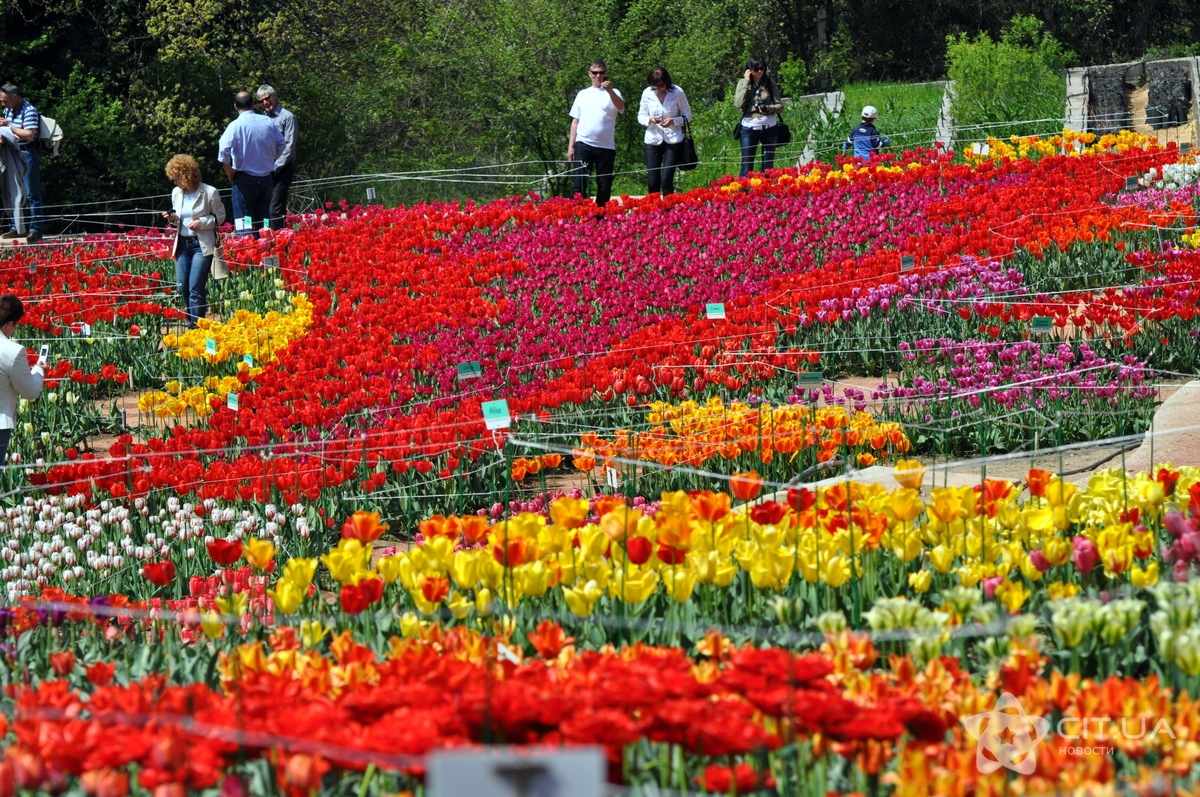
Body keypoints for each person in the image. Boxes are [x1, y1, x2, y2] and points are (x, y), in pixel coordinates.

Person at [163, 155, 227, 326]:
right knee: (181, 286)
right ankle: (192, 319)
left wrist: (202, 223)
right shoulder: (176, 192)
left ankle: (195, 327)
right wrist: (171, 218)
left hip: (201, 245)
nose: (174, 182)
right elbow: (178, 218)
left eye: (176, 178)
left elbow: (220, 217)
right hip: (182, 244)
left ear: (186, 176)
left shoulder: (209, 192)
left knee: (195, 288)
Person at [217, 91, 284, 236]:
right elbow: (281, 144)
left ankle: (248, 254)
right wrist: (271, 159)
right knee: (264, 223)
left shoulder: (235, 126)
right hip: (266, 179)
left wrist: (229, 172)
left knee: (244, 224)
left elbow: (223, 153)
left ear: (235, 106)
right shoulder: (267, 122)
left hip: (244, 181)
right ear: (253, 104)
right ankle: (265, 253)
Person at [568, 61, 625, 208]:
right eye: (595, 73)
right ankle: (580, 214)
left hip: (606, 146)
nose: (598, 76)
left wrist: (610, 91)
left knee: (604, 184)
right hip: (583, 144)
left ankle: (602, 218)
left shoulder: (614, 92)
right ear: (589, 74)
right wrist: (571, 147)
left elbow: (621, 107)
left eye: (601, 72)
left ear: (605, 74)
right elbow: (575, 121)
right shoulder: (582, 94)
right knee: (579, 183)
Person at [0, 294, 45, 468]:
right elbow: (30, 391)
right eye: (15, 325)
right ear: (10, 324)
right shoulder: (13, 351)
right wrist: (38, 370)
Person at [637, 66, 692, 197]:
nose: (658, 89)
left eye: (660, 86)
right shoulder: (647, 93)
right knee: (652, 181)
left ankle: (669, 213)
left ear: (667, 82)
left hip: (672, 140)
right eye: (654, 86)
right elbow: (640, 116)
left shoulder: (677, 92)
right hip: (652, 140)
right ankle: (654, 212)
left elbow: (687, 116)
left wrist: (673, 120)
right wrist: (649, 119)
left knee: (666, 180)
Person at [0, 85, 43, 243]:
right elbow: (16, 132)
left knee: (31, 193)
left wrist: (9, 127)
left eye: (5, 101)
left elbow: (29, 135)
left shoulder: (29, 110)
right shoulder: (8, 111)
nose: (3, 105)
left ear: (15, 96)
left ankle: (35, 230)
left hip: (26, 153)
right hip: (11, 152)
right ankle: (17, 228)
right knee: (13, 192)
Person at [734, 56, 784, 177]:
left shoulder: (769, 82)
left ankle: (766, 191)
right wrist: (746, 82)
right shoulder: (742, 82)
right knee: (747, 166)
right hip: (749, 127)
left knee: (768, 166)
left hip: (770, 127)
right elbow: (738, 104)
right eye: (756, 69)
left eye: (762, 68)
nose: (760, 71)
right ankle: (744, 192)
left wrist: (769, 108)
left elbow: (780, 106)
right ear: (749, 69)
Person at [256, 85, 297, 230]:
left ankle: (280, 243)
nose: (265, 103)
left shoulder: (287, 117)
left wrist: (274, 168)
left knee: (275, 209)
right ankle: (267, 241)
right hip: (264, 170)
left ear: (275, 96)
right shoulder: (260, 119)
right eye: (261, 101)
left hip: (281, 169)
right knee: (263, 209)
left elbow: (289, 148)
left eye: (267, 98)